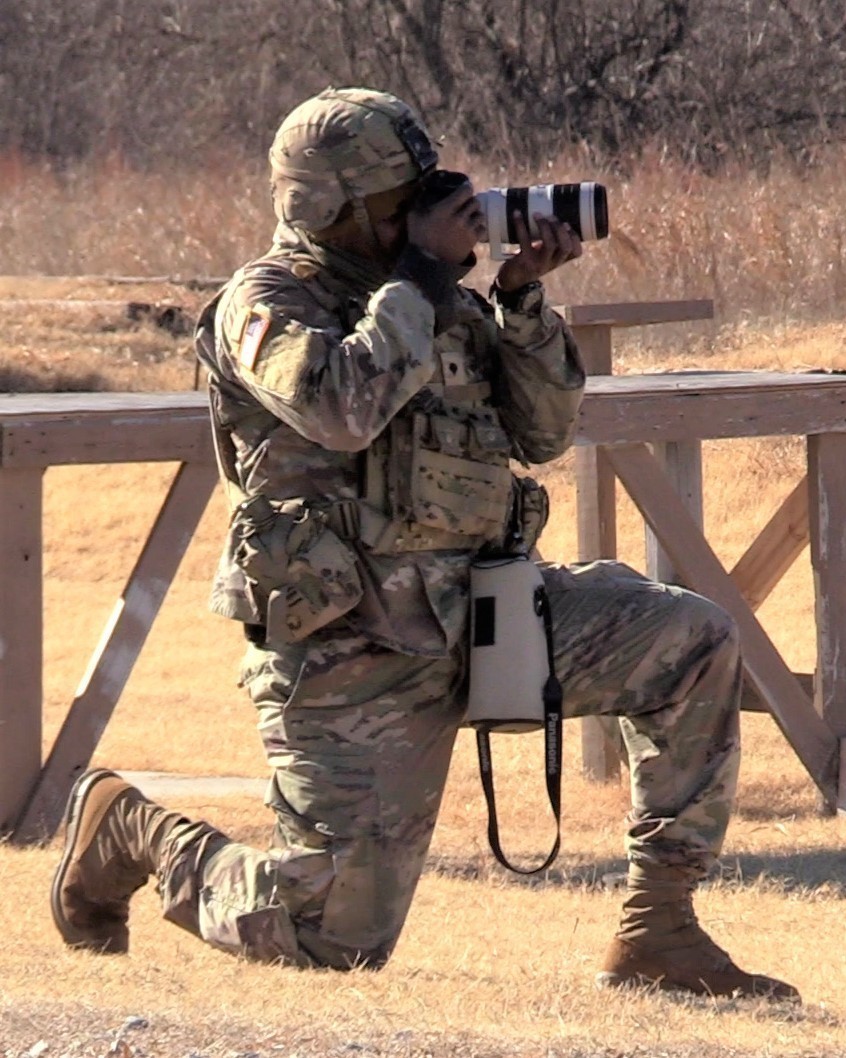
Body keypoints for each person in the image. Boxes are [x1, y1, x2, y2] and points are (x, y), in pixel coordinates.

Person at [48, 87, 796, 1000]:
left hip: (488, 615)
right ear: (329, 207)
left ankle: (661, 930)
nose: (424, 215)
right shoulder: (267, 301)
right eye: (398, 202)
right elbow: (339, 407)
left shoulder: (436, 299)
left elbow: (545, 433)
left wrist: (519, 302)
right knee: (330, 939)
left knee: (691, 639)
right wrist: (422, 281)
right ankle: (129, 830)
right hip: (351, 646)